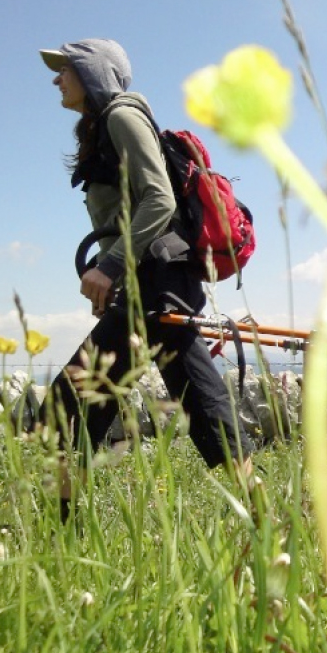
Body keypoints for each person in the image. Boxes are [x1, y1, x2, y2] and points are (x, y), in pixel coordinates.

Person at [37, 38, 256, 512]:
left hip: (154, 285)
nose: (57, 78)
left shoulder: (122, 115)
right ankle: (269, 524)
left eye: (66, 69)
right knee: (203, 405)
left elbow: (160, 199)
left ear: (94, 72)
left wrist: (110, 266)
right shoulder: (106, 124)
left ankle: (60, 534)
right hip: (155, 286)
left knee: (64, 408)